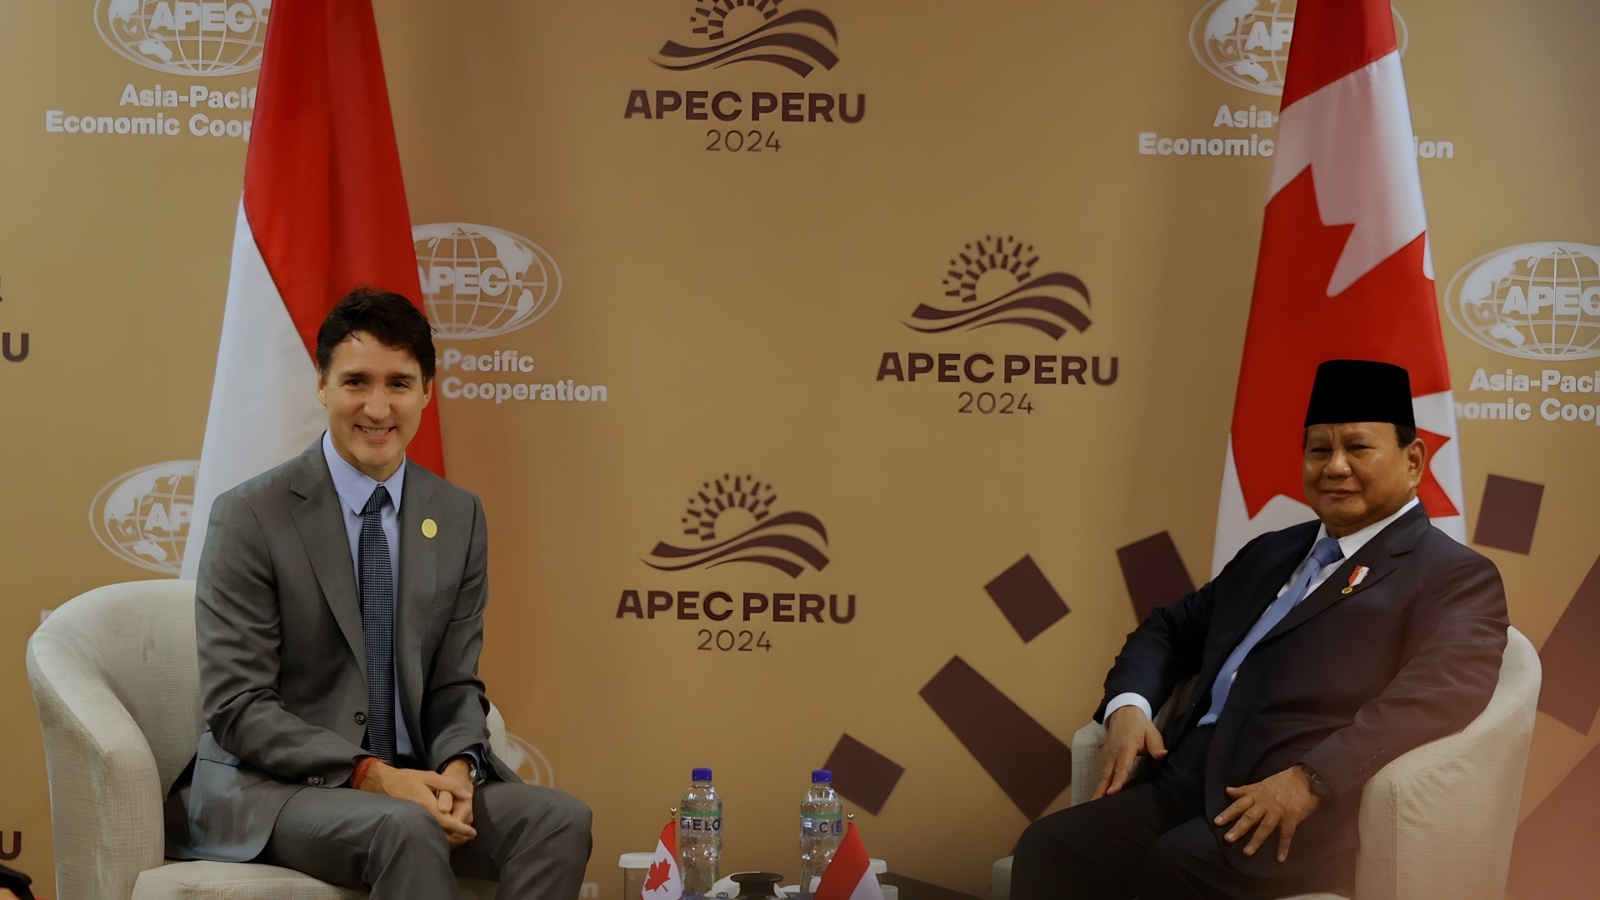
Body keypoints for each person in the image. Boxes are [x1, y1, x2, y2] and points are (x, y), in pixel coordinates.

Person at [1012, 359, 1510, 899]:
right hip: (1180, 780)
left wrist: (1313, 777)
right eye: (1319, 450)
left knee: (1171, 869)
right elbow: (1169, 630)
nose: (1335, 467)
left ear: (1413, 460)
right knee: (1050, 846)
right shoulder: (1272, 550)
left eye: (1358, 448)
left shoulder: (1454, 573)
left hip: (1288, 805)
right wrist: (1128, 706)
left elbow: (1438, 692)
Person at [165, 288, 592, 898]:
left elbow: (454, 682)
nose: (377, 406)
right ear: (321, 385)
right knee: (406, 828)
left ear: (426, 392)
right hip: (274, 791)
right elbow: (239, 705)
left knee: (558, 820)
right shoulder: (251, 515)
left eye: (399, 382)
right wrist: (372, 775)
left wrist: (457, 767)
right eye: (356, 381)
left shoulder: (458, 514)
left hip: (413, 782)